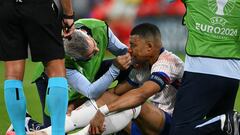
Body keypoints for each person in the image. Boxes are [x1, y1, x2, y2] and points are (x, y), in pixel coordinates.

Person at [26, 23, 184, 135]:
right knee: (113, 98)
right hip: (148, 125)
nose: (128, 49)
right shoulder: (142, 66)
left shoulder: (167, 63)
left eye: (133, 45)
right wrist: (76, 104)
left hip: (173, 126)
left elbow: (140, 95)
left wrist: (102, 111)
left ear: (149, 47)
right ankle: (46, 132)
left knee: (135, 104)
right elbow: (113, 92)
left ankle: (41, 129)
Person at [6, 18, 131, 134]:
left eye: (94, 44)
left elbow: (124, 52)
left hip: (90, 72)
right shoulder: (62, 62)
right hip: (50, 80)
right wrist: (114, 69)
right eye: (91, 55)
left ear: (85, 34)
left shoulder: (99, 28)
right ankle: (27, 123)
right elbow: (91, 92)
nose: (97, 50)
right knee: (57, 129)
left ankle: (118, 113)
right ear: (74, 58)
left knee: (128, 67)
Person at [0, 0, 74, 134]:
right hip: (38, 6)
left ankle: (18, 131)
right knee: (56, 69)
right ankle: (57, 132)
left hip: (7, 8)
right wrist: (68, 14)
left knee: (12, 74)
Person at [168, 0, 240, 135]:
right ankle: (225, 122)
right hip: (232, 76)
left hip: (201, 72)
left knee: (180, 130)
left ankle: (224, 121)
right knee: (220, 132)